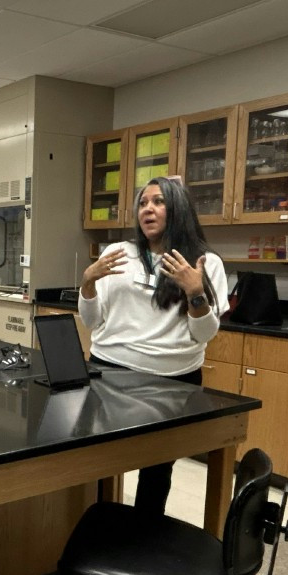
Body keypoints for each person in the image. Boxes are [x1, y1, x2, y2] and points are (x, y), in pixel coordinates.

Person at [78, 176, 227, 516]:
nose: (148, 209)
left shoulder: (206, 263)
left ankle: (146, 536)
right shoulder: (117, 255)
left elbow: (204, 334)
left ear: (178, 210)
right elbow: (91, 321)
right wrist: (87, 282)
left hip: (172, 381)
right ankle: (98, 526)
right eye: (143, 203)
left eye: (158, 202)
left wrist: (195, 291)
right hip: (110, 373)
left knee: (158, 467)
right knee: (98, 458)